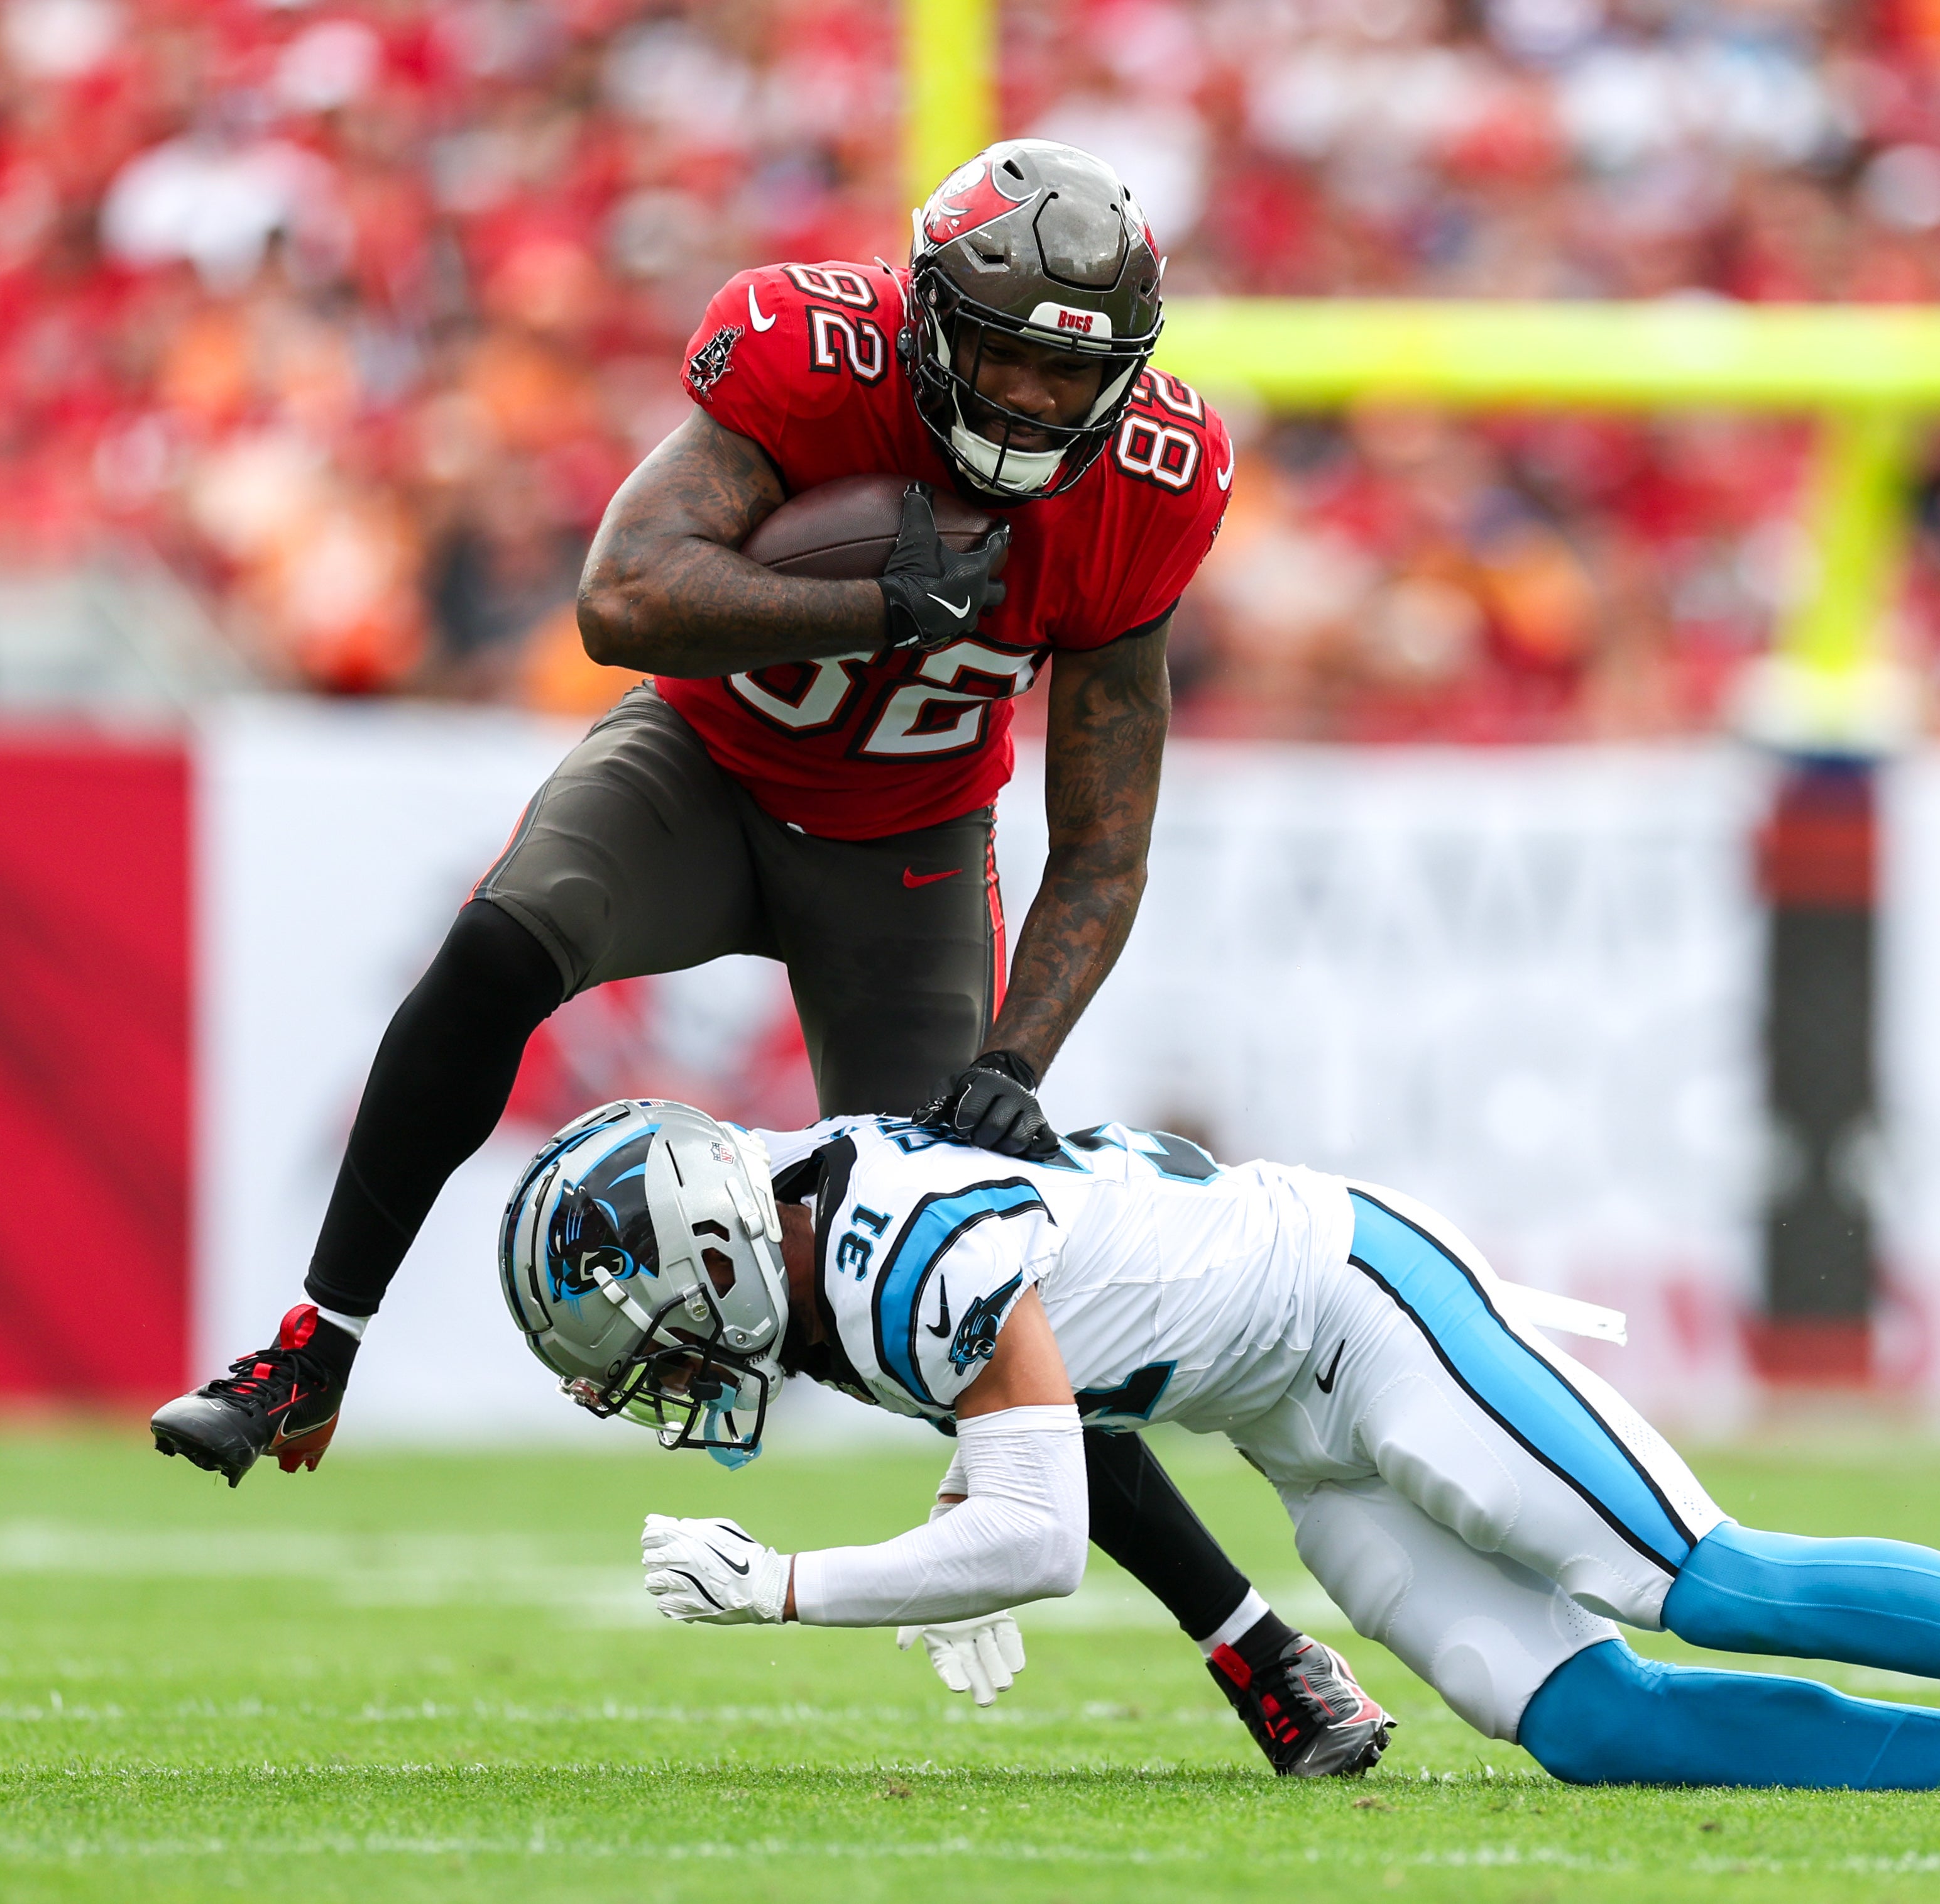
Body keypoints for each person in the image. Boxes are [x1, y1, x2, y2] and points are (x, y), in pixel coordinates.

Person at [150, 140, 1382, 1776]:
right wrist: (872, 601)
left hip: (910, 852)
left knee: (964, 1274)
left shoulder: (1148, 481)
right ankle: (310, 1352)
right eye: (999, 344)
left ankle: (1259, 1649)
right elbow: (623, 598)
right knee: (496, 954)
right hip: (707, 773)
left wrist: (1014, 1070)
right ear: (929, 317)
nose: (1021, 393)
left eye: (1063, 365)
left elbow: (1103, 835)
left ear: (1121, 376)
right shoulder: (811, 353)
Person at [503, 1099, 1940, 1796]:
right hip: (1286, 1423)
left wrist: (791, 1590)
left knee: (1704, 1584)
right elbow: (1057, 1335)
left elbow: (1043, 1542)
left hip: (1362, 1307)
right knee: (1595, 1728)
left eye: (642, 1327)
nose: (655, 1370)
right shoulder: (845, 1244)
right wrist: (962, 1488)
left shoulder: (883, 1251)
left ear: (723, 1251)